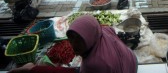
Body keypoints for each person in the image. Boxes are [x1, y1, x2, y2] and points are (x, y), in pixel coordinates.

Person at [8, 15, 138, 73]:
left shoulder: (93, 64)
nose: (73, 44)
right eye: (71, 38)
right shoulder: (104, 31)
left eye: (79, 39)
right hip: (132, 62)